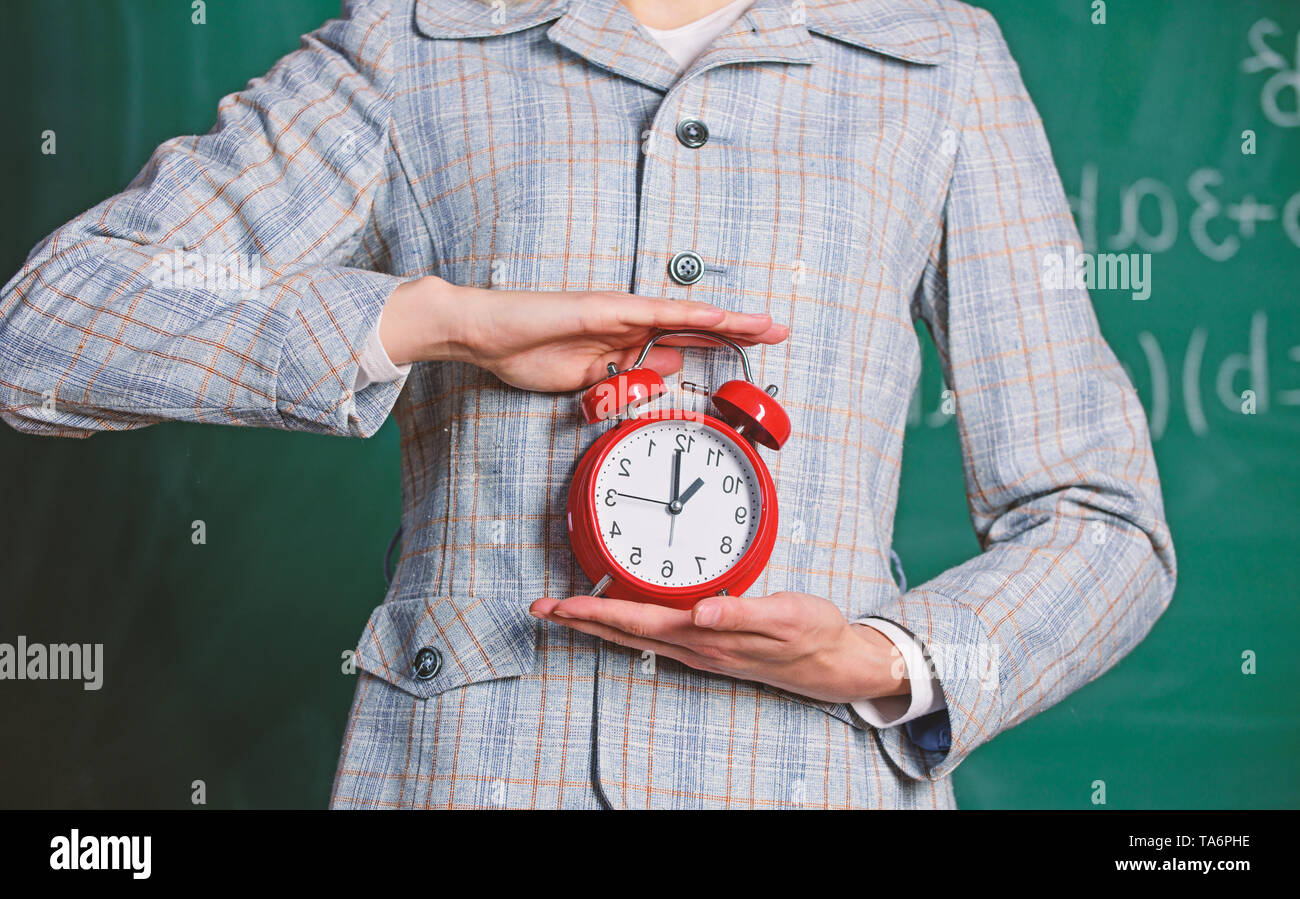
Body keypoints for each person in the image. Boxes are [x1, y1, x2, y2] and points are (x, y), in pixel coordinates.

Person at [0, 0, 1176, 809]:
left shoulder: (934, 60)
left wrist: (885, 656)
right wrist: (430, 319)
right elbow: (45, 325)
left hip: (808, 780)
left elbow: (1098, 520)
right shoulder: (414, 47)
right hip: (465, 772)